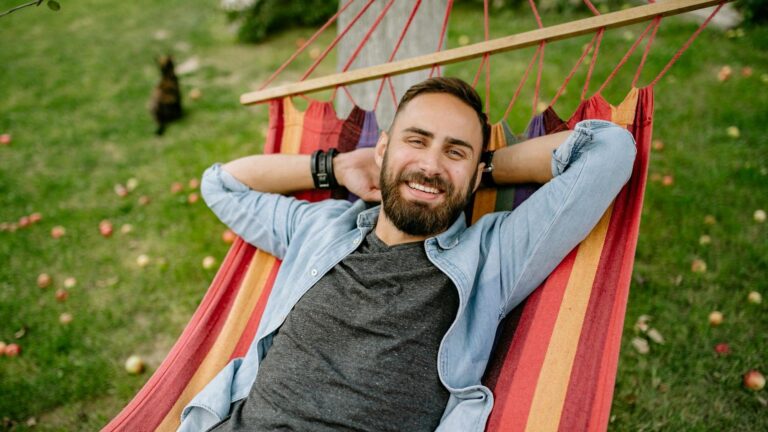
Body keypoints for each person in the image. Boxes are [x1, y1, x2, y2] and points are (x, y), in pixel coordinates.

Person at [179, 77, 636, 431]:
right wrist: (336, 166)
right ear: (382, 150)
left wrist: (482, 171)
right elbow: (221, 184)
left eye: (453, 152)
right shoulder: (320, 228)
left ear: (477, 176)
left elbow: (608, 148)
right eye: (415, 141)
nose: (431, 165)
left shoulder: (493, 257)